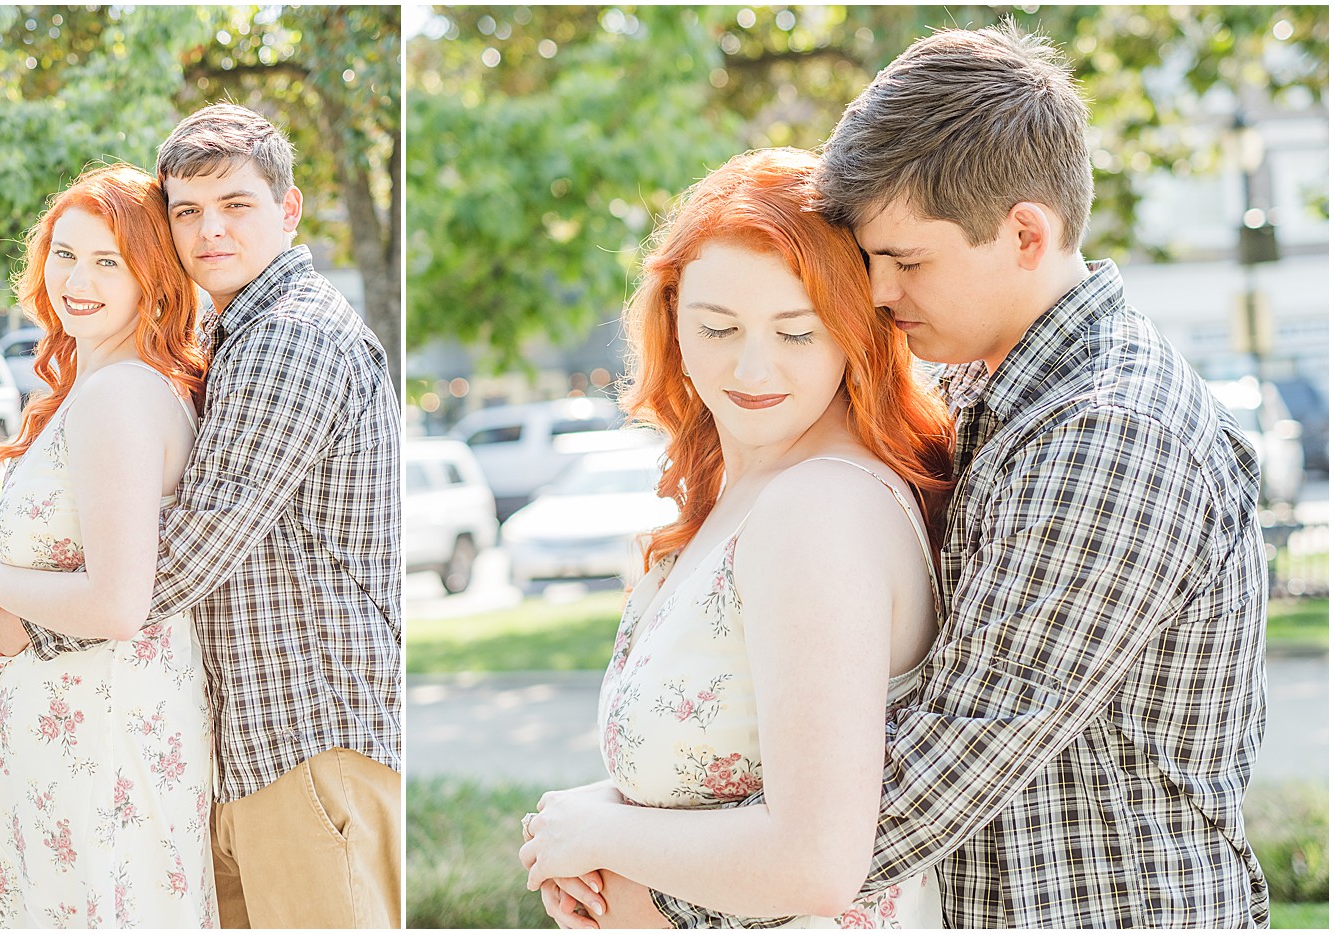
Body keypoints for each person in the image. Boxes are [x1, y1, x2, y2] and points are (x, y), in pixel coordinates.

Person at [619, 22, 1269, 929]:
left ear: (1026, 235)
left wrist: (646, 883)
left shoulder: (1111, 431)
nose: (880, 294)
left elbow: (950, 761)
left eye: (906, 261)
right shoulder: (984, 388)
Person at [0, 104, 404, 928]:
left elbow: (188, 552)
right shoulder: (233, 339)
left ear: (289, 209)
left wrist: (16, 608)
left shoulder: (289, 338)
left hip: (308, 731)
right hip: (247, 742)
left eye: (236, 205)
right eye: (188, 212)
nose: (210, 232)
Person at [519, 146, 957, 927]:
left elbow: (814, 863)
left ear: (854, 332)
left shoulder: (818, 508)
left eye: (797, 333)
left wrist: (594, 830)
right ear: (673, 317)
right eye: (718, 327)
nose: (754, 369)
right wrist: (595, 829)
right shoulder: (756, 488)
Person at [0, 163, 217, 927]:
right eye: (65, 253)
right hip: (85, 726)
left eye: (108, 259)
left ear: (150, 276)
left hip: (101, 743)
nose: (78, 278)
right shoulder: (108, 386)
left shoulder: (120, 397)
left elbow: (118, 601)